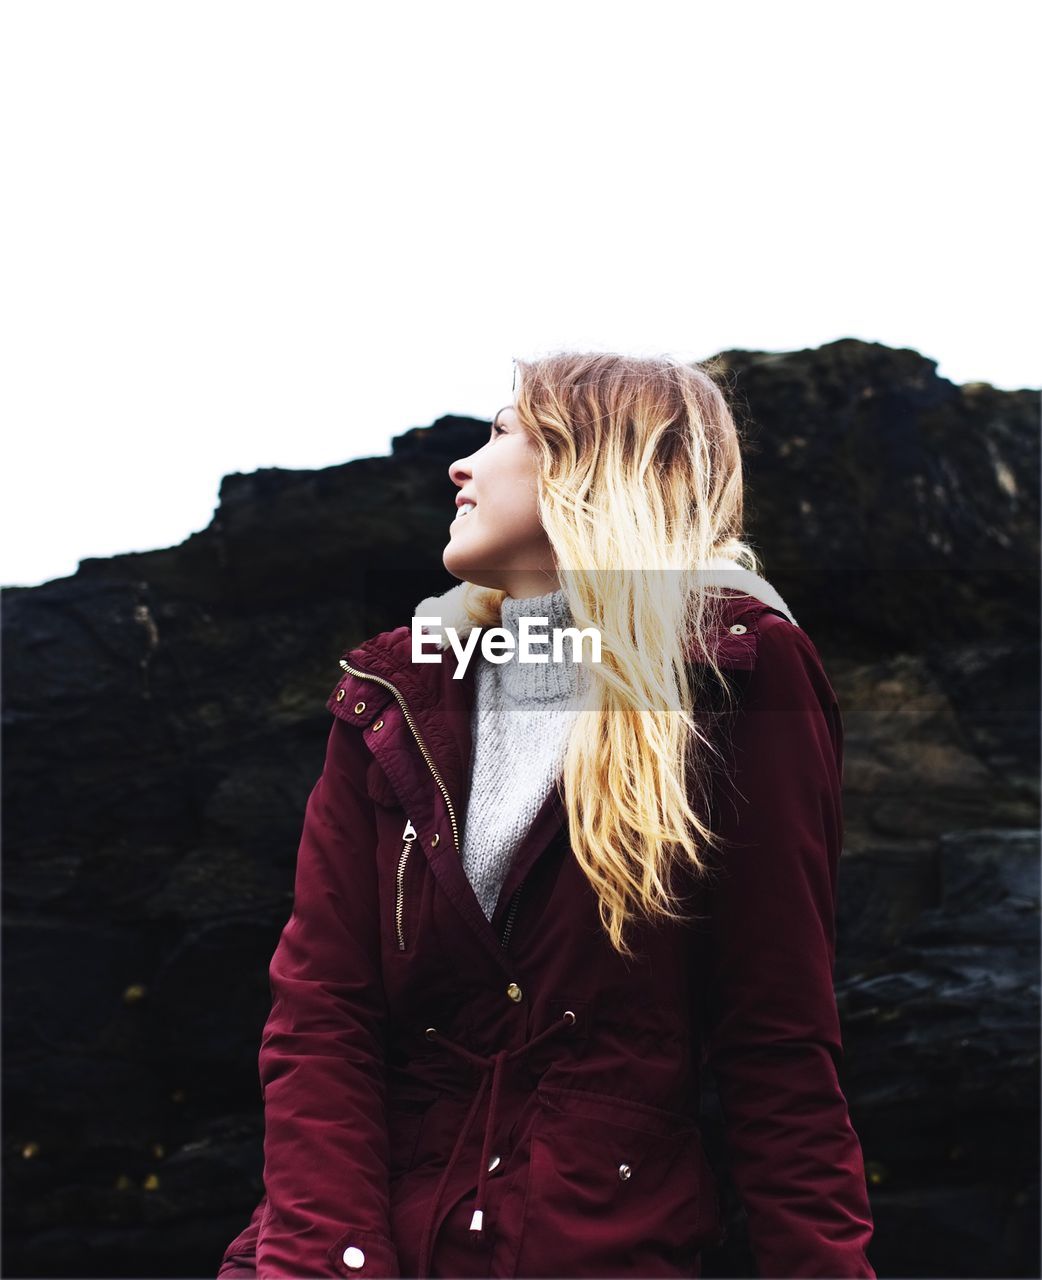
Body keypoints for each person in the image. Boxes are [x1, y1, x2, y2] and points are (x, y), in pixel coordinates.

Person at [217, 351, 877, 1278]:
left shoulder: (740, 677)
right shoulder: (393, 694)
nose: (460, 467)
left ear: (594, 462)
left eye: (500, 433)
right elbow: (321, 1014)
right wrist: (325, 1262)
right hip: (343, 1248)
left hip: (590, 1247)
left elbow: (776, 1040)